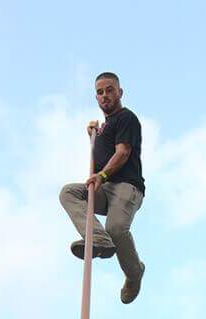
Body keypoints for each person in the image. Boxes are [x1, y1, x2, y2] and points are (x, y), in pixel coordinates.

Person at [59, 72, 146, 304]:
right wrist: (93, 137)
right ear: (96, 97)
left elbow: (123, 152)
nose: (105, 95)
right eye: (100, 92)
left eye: (109, 90)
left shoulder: (126, 118)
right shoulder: (104, 128)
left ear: (120, 92)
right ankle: (99, 239)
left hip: (127, 187)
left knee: (117, 229)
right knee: (69, 192)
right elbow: (103, 151)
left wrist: (102, 175)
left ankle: (134, 273)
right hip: (105, 189)